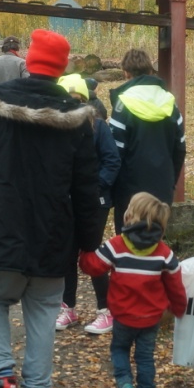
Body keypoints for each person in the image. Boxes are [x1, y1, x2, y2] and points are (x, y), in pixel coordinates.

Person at [0, 29, 103, 388]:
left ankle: (1, 380)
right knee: (42, 313)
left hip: (2, 224)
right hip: (53, 234)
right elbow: (87, 188)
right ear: (62, 67)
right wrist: (89, 246)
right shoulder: (77, 118)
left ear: (28, 60)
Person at [87, 48, 185, 335]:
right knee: (156, 247)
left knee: (127, 248)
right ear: (151, 71)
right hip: (161, 188)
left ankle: (125, 311)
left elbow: (115, 151)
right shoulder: (170, 102)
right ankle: (156, 310)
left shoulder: (123, 104)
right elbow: (180, 147)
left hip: (129, 189)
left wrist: (110, 188)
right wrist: (170, 181)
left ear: (127, 73)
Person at [79, 192, 187, 388]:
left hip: (123, 316)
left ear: (130, 215)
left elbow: (93, 266)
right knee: (145, 358)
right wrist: (179, 309)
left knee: (119, 349)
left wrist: (82, 254)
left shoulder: (117, 246)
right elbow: (176, 286)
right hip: (150, 319)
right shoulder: (164, 253)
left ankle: (125, 385)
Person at [54, 73, 120, 331]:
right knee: (66, 253)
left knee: (91, 254)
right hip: (65, 200)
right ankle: (67, 307)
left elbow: (112, 161)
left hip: (94, 201)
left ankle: (106, 309)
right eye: (66, 100)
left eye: (76, 100)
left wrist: (94, 188)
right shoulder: (57, 126)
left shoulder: (98, 126)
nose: (71, 105)